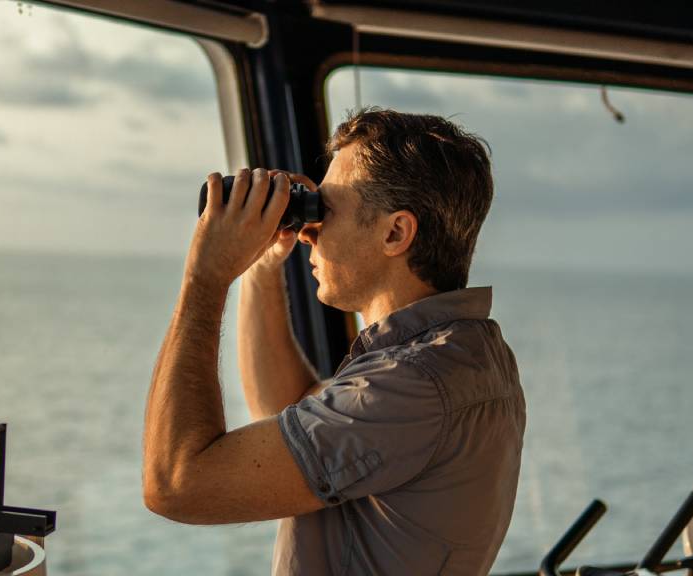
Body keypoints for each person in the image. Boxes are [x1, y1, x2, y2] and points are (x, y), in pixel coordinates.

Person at [143, 108, 525, 575]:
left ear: (395, 232)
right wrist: (262, 268)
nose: (309, 231)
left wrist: (205, 278)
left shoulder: (414, 384)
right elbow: (290, 411)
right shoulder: (456, 357)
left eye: (326, 208)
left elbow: (176, 485)